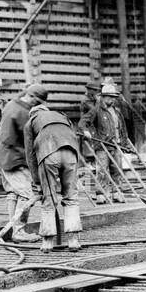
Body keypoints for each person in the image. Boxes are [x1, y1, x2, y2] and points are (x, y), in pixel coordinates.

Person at [24, 100, 83, 252]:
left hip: (48, 152)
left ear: (33, 114)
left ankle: (47, 242)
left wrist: (37, 182)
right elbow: (73, 136)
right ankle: (73, 240)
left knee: (48, 198)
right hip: (71, 152)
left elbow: (30, 155)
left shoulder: (30, 122)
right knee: (71, 197)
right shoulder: (61, 116)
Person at [0, 84, 49, 243]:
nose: (38, 105)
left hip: (6, 156)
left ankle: (14, 229)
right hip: (15, 159)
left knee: (13, 193)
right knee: (27, 194)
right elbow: (15, 139)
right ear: (33, 97)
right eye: (38, 102)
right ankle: (18, 230)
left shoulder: (13, 104)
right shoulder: (21, 112)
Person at [81, 82, 132, 203]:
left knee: (117, 170)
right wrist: (86, 131)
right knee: (102, 171)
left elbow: (122, 129)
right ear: (103, 97)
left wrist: (125, 143)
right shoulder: (96, 110)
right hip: (102, 145)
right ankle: (100, 194)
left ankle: (117, 193)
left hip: (116, 145)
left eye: (114, 97)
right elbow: (83, 122)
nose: (112, 99)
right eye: (109, 97)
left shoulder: (117, 112)